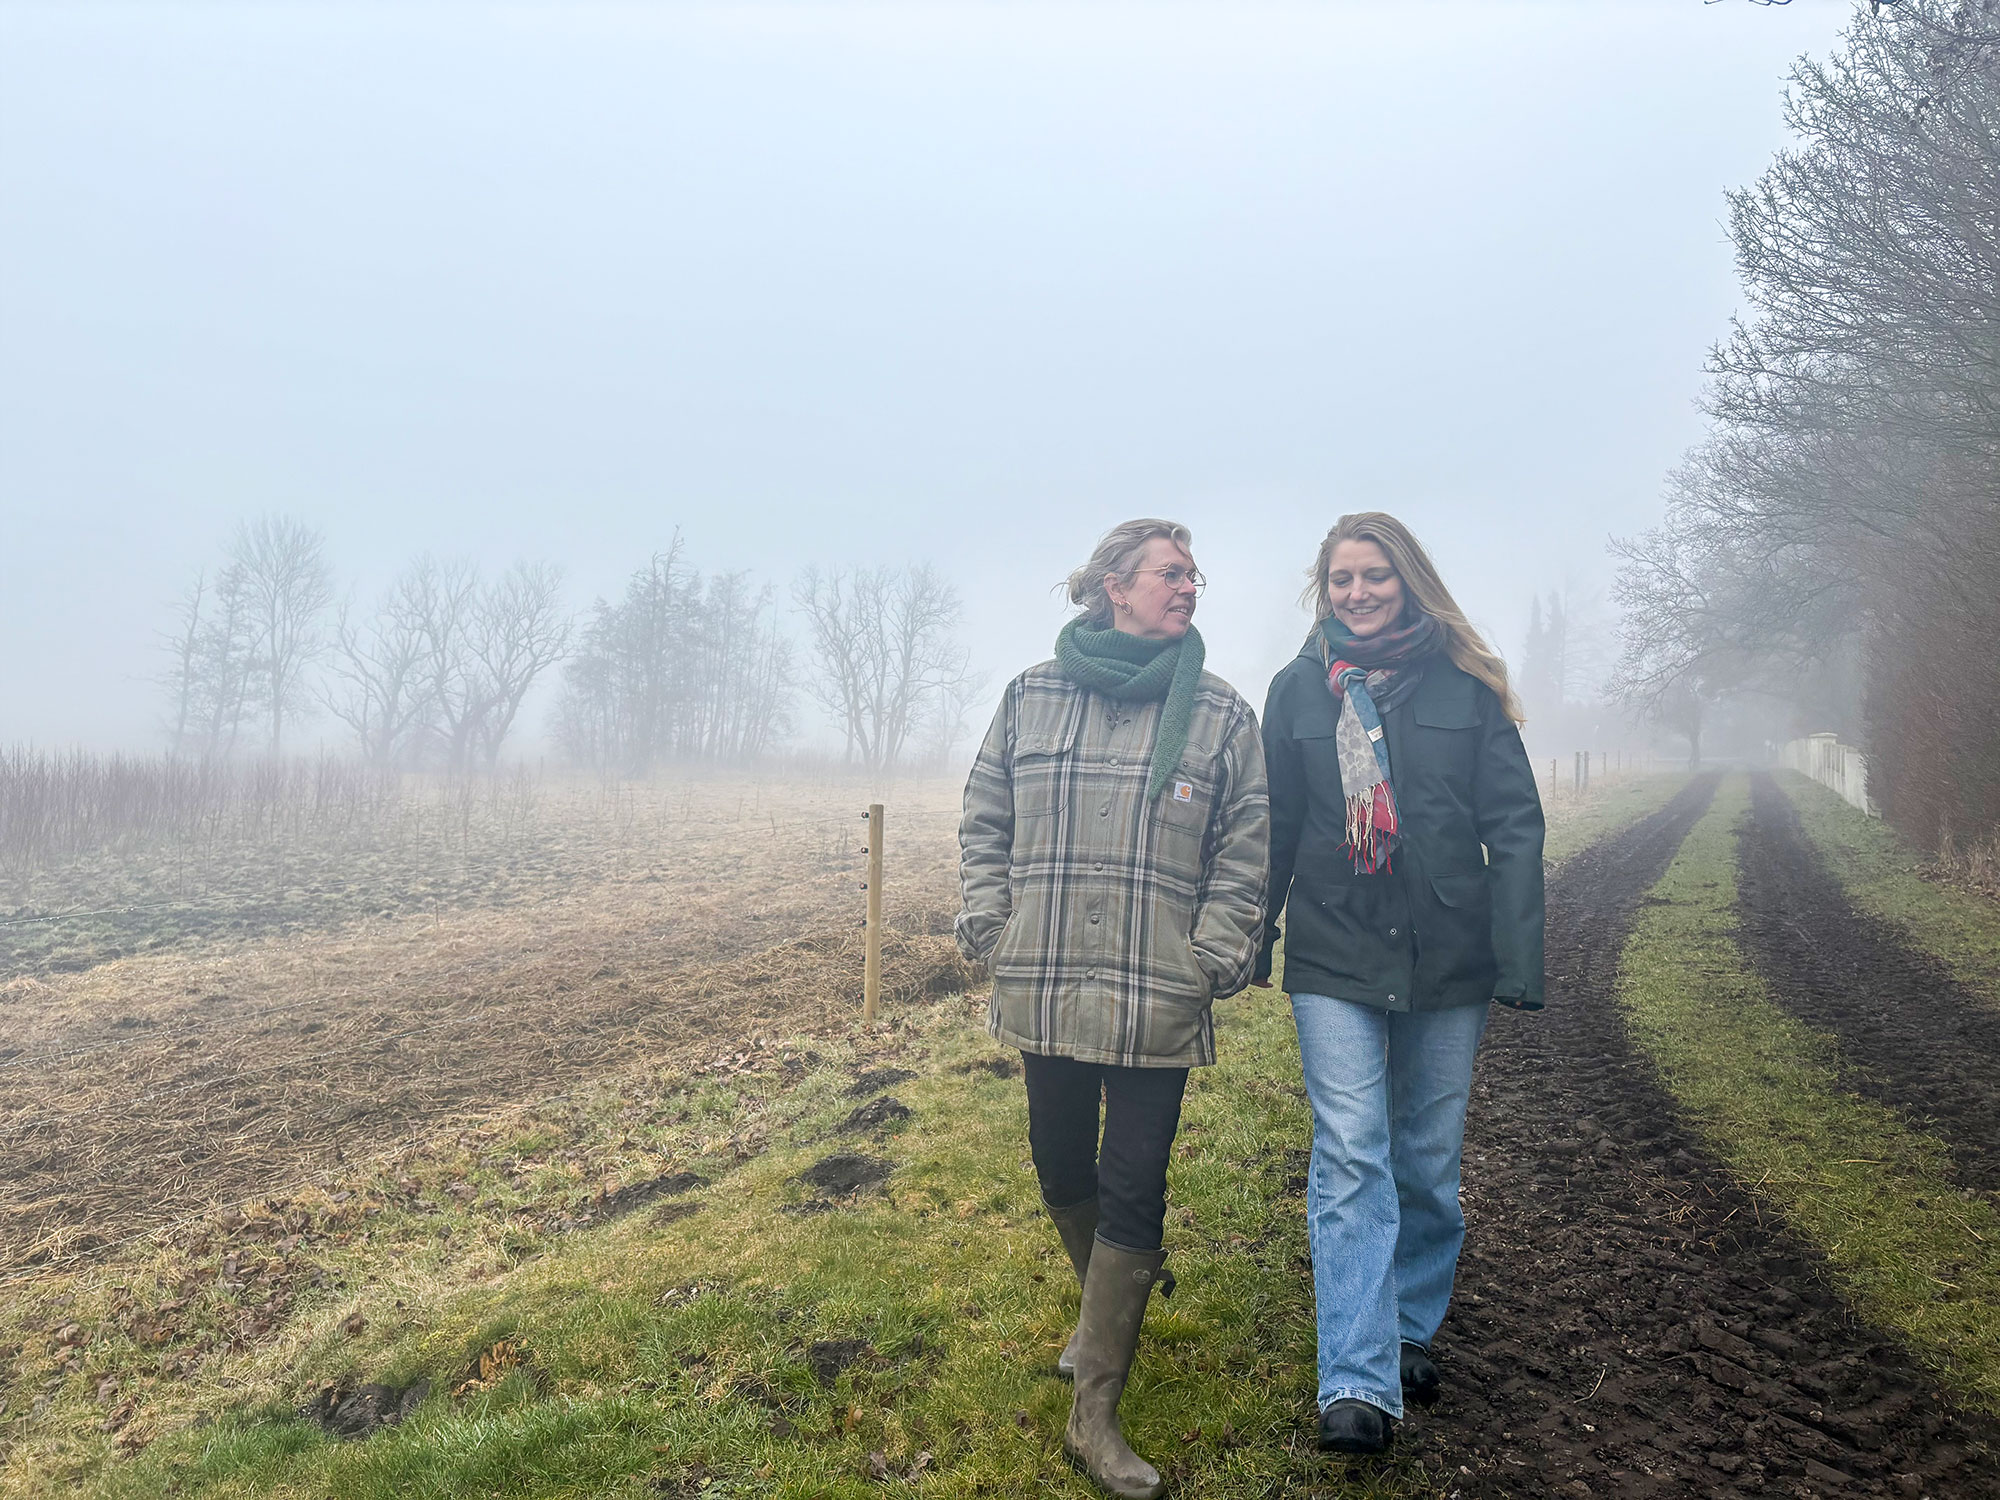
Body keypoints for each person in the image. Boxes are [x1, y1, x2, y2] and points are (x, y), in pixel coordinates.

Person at [956, 518, 1269, 1500]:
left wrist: (1213, 953)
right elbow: (984, 813)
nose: (1188, 589)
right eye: (1170, 575)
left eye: (1192, 576)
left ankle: (1092, 1412)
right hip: (1045, 974)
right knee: (1059, 1162)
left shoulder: (1217, 714)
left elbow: (1245, 848)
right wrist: (988, 922)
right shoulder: (1030, 695)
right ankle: (1107, 1308)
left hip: (1153, 990)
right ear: (1112, 587)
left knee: (1134, 1183)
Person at [1255, 512, 1544, 1455]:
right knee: (1352, 1148)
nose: (1357, 592)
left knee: (1424, 1157)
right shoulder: (1298, 692)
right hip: (1334, 951)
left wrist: (1518, 958)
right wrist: (1251, 941)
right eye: (1341, 578)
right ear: (1323, 588)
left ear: (1406, 580)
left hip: (1449, 952)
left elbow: (1515, 822)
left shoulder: (1469, 687)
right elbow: (1277, 828)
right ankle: (1357, 1378)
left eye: (1374, 575)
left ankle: (1411, 1323)